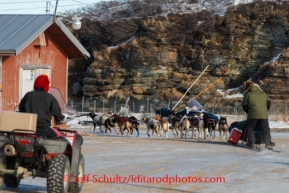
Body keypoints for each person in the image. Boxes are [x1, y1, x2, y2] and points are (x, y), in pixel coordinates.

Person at [242, 80, 275, 149]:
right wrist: (265, 110)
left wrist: (248, 111)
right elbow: (269, 103)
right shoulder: (263, 93)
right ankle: (268, 143)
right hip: (263, 115)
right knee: (265, 129)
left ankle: (251, 143)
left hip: (252, 115)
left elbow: (244, 105)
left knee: (250, 128)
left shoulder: (248, 94)